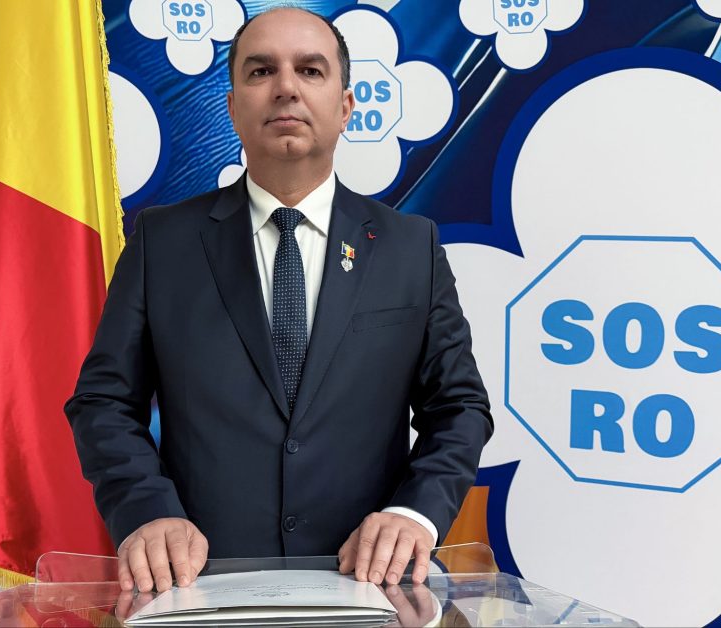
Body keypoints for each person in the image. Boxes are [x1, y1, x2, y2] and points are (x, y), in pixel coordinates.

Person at [64, 6, 492, 595]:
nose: (286, 87)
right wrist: (146, 511)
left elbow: (460, 408)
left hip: (367, 587)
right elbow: (103, 401)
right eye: (261, 71)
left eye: (310, 71)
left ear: (346, 106)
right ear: (232, 105)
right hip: (200, 590)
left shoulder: (410, 248)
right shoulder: (161, 243)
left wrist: (414, 513)